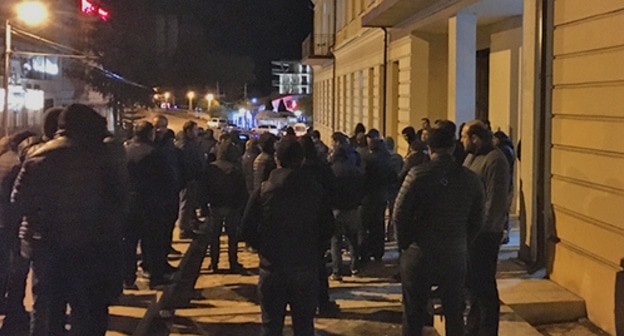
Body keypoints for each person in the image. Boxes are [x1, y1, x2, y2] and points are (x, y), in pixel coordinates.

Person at [12, 104, 128, 336]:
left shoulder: (38, 155)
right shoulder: (98, 157)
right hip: (87, 246)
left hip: (45, 246)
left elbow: (18, 200)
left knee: (46, 310)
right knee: (83, 310)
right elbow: (117, 202)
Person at [393, 127, 485, 336]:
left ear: (430, 148)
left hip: (420, 252)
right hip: (454, 253)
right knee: (454, 313)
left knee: (413, 314)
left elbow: (399, 215)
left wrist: (404, 246)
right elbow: (478, 220)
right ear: (453, 147)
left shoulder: (417, 175)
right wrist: (463, 241)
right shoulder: (471, 179)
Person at [242, 139, 334, 336]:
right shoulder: (316, 191)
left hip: (272, 268)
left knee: (271, 326)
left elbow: (246, 229)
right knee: (304, 327)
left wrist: (264, 248)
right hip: (305, 268)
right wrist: (314, 251)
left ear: (277, 160)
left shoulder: (263, 191)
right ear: (301, 161)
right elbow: (328, 228)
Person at [461, 120, 510, 336]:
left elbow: (494, 202)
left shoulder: (495, 160)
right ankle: (473, 328)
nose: (461, 140)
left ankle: (488, 330)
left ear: (475, 138)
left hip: (484, 235)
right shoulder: (471, 156)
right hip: (469, 232)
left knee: (484, 286)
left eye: (464, 136)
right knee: (472, 284)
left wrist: (480, 232)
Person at [124, 121, 177, 289]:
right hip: (150, 203)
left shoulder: (124, 151)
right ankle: (155, 277)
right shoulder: (155, 153)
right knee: (153, 242)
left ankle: (128, 278)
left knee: (129, 243)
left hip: (129, 203)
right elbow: (167, 179)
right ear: (150, 134)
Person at [0, 131, 36, 334]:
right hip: (11, 223)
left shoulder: (3, 158)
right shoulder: (17, 163)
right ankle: (15, 314)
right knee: (17, 269)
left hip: (2, 222)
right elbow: (19, 197)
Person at [201, 142, 247, 273]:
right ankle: (233, 262)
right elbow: (242, 190)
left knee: (214, 236)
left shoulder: (211, 168)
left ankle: (214, 263)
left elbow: (204, 188)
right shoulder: (236, 169)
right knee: (232, 236)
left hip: (215, 206)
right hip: (232, 206)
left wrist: (205, 204)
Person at [329, 146, 364, 280]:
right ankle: (355, 267)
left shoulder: (331, 171)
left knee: (336, 241)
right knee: (353, 239)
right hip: (352, 209)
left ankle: (337, 271)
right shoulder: (354, 171)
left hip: (336, 210)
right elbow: (362, 188)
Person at [152, 115, 185, 257]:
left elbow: (178, 166)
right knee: (156, 230)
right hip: (155, 194)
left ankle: (165, 250)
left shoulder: (170, 146)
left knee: (169, 223)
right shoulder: (151, 146)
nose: (160, 129)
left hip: (171, 190)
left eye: (163, 126)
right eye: (157, 126)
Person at [361, 129, 392, 261]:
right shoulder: (382, 155)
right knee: (374, 225)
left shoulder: (378, 156)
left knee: (373, 225)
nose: (369, 141)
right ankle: (374, 251)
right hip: (375, 195)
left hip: (374, 195)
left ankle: (373, 251)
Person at [176, 120, 205, 239]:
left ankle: (189, 224)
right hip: (188, 179)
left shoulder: (191, 143)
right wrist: (191, 175)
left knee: (190, 204)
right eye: (195, 129)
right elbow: (187, 164)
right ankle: (184, 229)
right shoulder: (184, 145)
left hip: (193, 178)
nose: (197, 132)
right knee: (186, 204)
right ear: (188, 131)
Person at [493, 131, 516, 244]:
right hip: (508, 183)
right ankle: (505, 234)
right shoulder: (508, 149)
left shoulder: (502, 151)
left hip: (506, 184)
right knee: (504, 211)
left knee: (503, 212)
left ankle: (504, 234)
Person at [385, 137, 403, 242]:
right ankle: (390, 234)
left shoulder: (384, 158)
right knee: (393, 212)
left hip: (386, 187)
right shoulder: (398, 157)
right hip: (395, 187)